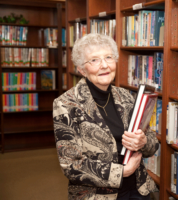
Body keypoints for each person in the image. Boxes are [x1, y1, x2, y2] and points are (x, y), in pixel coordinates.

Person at [53, 33, 159, 200]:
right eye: (94, 60)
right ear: (81, 69)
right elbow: (71, 165)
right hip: (97, 195)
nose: (104, 65)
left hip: (137, 189)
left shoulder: (126, 97)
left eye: (108, 57)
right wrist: (122, 172)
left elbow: (153, 144)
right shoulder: (66, 104)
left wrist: (143, 141)